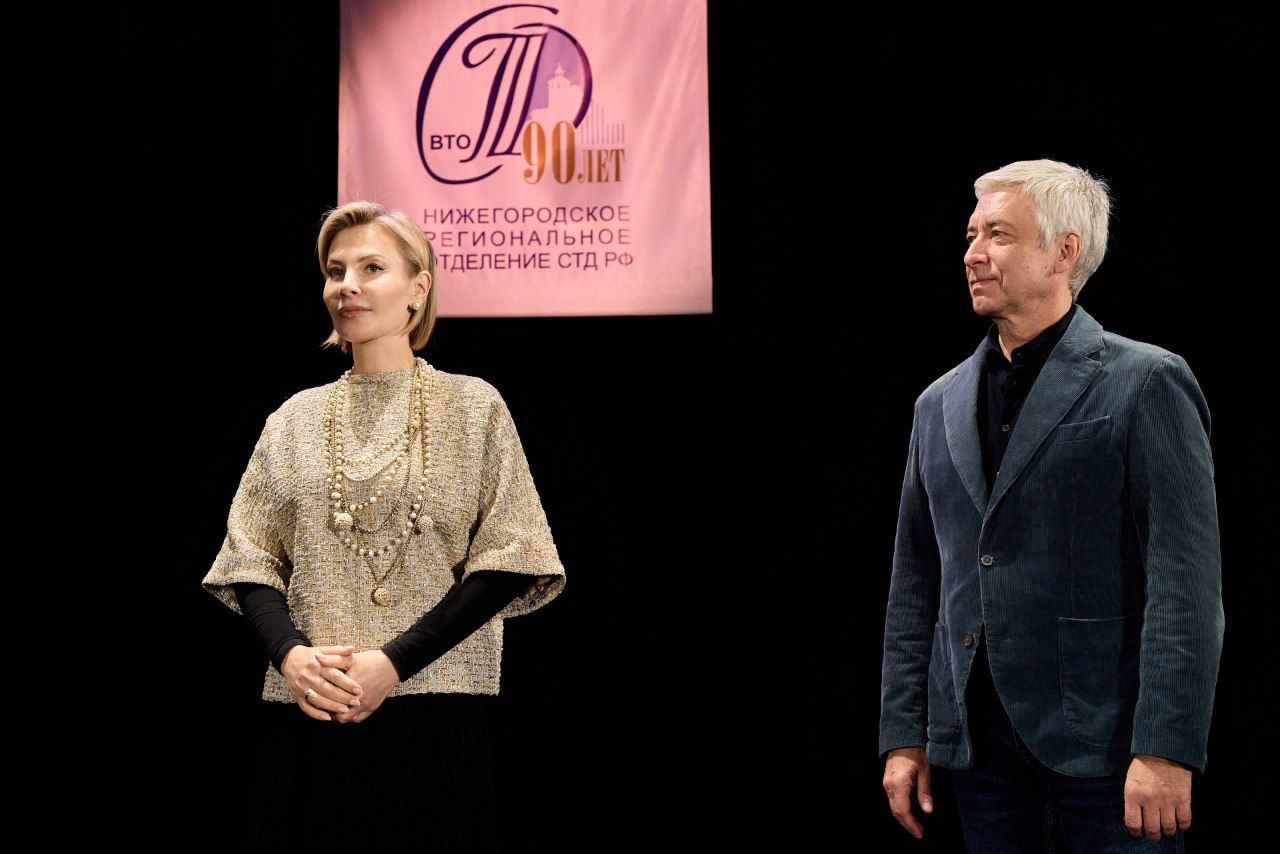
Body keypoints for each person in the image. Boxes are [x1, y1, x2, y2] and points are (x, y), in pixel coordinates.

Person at [878, 160, 1223, 851]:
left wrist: (1165, 747)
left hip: (1108, 748)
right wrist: (905, 734)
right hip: (978, 756)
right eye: (972, 236)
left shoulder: (1146, 381)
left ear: (1065, 251)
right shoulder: (937, 404)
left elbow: (1185, 586)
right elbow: (916, 583)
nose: (973, 254)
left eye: (999, 235)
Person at [202, 200, 566, 850]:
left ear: (418, 288)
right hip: (308, 718)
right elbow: (248, 559)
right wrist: (290, 656)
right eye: (335, 270)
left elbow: (511, 556)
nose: (347, 285)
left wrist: (394, 664)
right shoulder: (293, 419)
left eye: (372, 268)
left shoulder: (473, 406)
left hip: (435, 722)